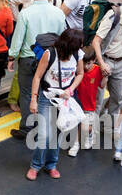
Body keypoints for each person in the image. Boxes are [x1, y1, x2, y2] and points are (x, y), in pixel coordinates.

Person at [8, 0, 67, 140]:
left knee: (27, 94)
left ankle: (27, 129)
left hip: (29, 60)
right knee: (46, 93)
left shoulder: (25, 14)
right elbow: (63, 36)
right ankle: (45, 127)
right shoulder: (59, 13)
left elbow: (18, 38)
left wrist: (11, 57)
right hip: (50, 60)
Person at [28, 28, 84, 181]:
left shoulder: (78, 55)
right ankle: (35, 165)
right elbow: (38, 77)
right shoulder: (50, 54)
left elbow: (80, 73)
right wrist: (34, 99)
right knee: (44, 134)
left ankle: (51, 164)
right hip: (47, 97)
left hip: (64, 99)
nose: (78, 50)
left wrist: (71, 89)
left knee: (58, 133)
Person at [92, 0, 122, 121]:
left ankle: (110, 125)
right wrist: (101, 63)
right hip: (105, 60)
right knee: (98, 98)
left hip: (121, 63)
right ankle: (92, 130)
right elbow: (96, 41)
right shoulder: (112, 16)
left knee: (117, 98)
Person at [69, 45, 103, 157]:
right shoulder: (77, 69)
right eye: (83, 63)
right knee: (75, 125)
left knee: (85, 128)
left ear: (94, 61)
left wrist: (106, 76)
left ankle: (90, 133)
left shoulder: (97, 70)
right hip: (77, 103)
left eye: (89, 63)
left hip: (89, 106)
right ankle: (75, 144)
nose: (85, 66)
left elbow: (102, 86)